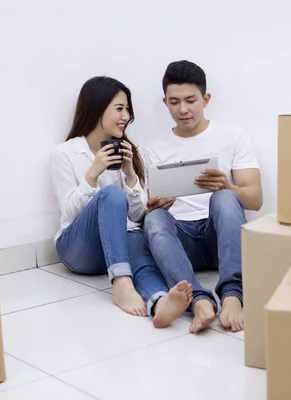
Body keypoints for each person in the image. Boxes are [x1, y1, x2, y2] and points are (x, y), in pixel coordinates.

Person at [50, 76, 192, 328]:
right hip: (78, 250)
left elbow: (136, 216)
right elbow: (70, 213)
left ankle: (159, 303)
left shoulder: (131, 150)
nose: (126, 116)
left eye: (127, 109)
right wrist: (92, 174)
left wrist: (130, 174)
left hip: (119, 246)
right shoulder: (65, 154)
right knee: (112, 196)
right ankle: (122, 283)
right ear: (96, 109)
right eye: (119, 109)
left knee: (135, 238)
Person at [143, 60, 263, 334]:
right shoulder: (153, 149)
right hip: (181, 241)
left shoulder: (232, 136)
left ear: (205, 99)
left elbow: (255, 199)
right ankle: (197, 300)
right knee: (154, 218)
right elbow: (146, 212)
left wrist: (226, 187)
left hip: (220, 236)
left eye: (190, 100)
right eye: (174, 102)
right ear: (165, 102)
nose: (182, 110)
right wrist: (155, 206)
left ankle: (233, 295)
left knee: (223, 199)